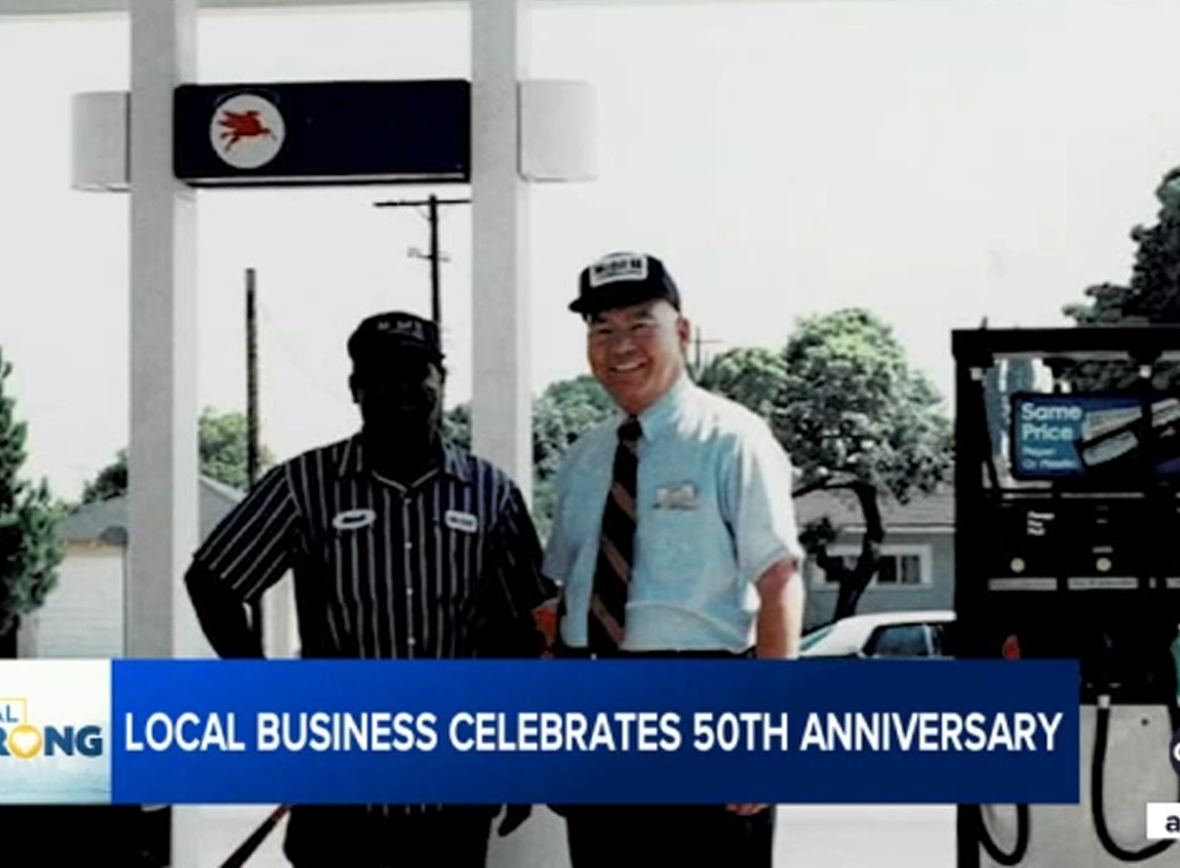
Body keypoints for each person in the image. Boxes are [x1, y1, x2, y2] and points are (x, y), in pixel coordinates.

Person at [183, 310, 556, 868]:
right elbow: (212, 581)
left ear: (441, 381)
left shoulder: (490, 494)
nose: (402, 389)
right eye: (381, 374)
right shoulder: (304, 486)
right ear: (355, 387)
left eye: (417, 372)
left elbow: (521, 631)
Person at [541, 251, 807, 867]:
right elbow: (561, 598)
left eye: (641, 324)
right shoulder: (583, 458)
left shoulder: (732, 439)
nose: (620, 345)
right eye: (601, 329)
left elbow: (779, 580)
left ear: (682, 332)